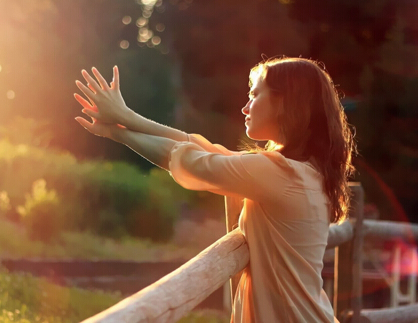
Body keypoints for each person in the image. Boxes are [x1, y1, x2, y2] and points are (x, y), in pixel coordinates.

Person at [73, 56, 356, 322]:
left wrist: (119, 129)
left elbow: (190, 159)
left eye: (255, 95)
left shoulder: (280, 174)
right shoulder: (303, 171)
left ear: (284, 103)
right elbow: (203, 148)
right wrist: (124, 119)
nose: (245, 107)